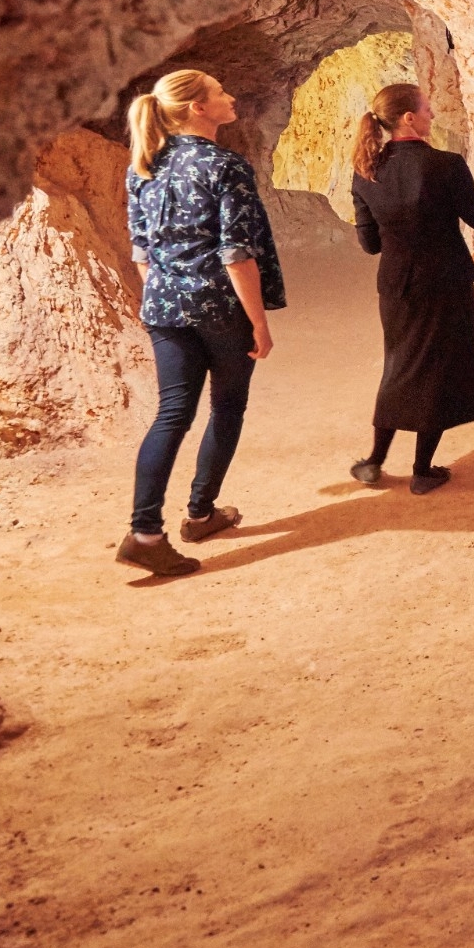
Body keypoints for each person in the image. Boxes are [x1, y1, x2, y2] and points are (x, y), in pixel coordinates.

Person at [120, 69, 284, 579]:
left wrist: (166, 292)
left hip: (164, 307)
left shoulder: (143, 165)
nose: (231, 96)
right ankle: (200, 513)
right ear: (197, 108)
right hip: (219, 308)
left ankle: (145, 532)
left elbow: (141, 253)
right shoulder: (224, 165)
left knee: (171, 414)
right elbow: (236, 254)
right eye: (220, 92)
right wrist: (258, 322)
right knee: (227, 405)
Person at [350, 82, 474, 492]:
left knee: (399, 367)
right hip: (444, 282)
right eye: (427, 109)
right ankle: (421, 471)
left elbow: (369, 244)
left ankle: (375, 460)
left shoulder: (366, 170)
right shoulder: (445, 164)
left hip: (396, 286)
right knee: (438, 374)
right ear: (408, 118)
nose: (432, 115)